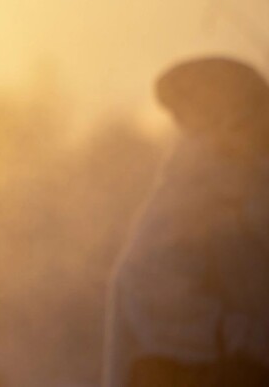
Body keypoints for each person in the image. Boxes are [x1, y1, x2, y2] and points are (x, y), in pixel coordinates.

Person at [103, 57, 269, 387]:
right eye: (254, 111)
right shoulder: (199, 190)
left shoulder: (242, 188)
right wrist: (247, 338)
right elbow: (153, 286)